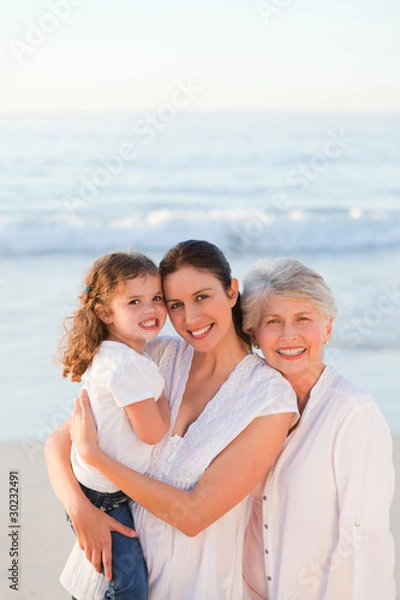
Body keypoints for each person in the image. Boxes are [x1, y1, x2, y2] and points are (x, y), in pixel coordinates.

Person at [45, 240, 298, 600]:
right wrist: (79, 508)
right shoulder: (152, 357)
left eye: (202, 297)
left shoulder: (269, 397)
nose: (190, 319)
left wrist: (96, 458)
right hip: (100, 580)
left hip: (191, 587)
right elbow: (59, 442)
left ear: (231, 292)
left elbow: (193, 515)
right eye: (175, 305)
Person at [241, 257, 396, 599]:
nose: (289, 335)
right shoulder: (244, 408)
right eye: (273, 321)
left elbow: (363, 541)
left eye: (303, 319)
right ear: (254, 335)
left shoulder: (353, 413)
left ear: (327, 328)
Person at [58, 251, 171, 600]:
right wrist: (164, 397)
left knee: (105, 573)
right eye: (134, 301)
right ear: (105, 313)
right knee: (127, 585)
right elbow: (152, 432)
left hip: (94, 486)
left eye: (157, 298)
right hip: (104, 498)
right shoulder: (128, 367)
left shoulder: (111, 355)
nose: (150, 309)